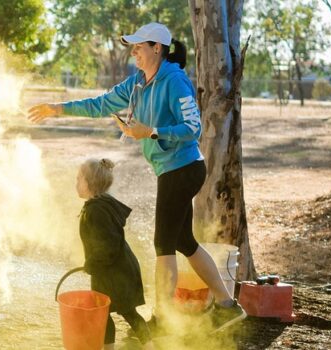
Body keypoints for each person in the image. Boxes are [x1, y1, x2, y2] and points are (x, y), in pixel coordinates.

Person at [28, 22, 246, 332]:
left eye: (139, 47)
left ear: (157, 49)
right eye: (133, 47)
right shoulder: (137, 83)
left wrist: (151, 132)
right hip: (172, 170)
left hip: (183, 169)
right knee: (183, 241)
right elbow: (101, 104)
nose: (134, 53)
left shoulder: (175, 81)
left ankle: (163, 320)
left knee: (163, 244)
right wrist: (58, 109)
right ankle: (227, 305)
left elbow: (193, 128)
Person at [76, 158, 154, 350]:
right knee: (104, 314)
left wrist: (91, 264)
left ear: (90, 183)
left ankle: (149, 347)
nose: (76, 183)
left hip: (117, 273)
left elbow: (108, 246)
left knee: (127, 313)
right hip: (109, 272)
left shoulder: (98, 210)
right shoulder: (96, 206)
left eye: (79, 179)